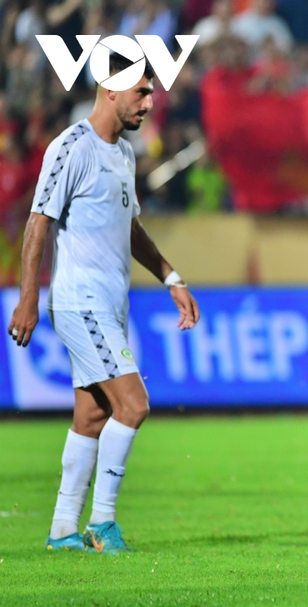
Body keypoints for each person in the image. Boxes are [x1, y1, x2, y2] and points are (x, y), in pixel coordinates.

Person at [7, 53, 200, 554]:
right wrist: (29, 297)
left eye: (151, 91)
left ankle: (62, 529)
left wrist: (170, 276)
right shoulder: (71, 147)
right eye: (141, 91)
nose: (150, 102)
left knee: (92, 417)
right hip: (79, 301)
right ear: (109, 88)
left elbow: (129, 226)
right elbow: (38, 222)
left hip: (111, 304)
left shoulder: (124, 153)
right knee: (134, 405)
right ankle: (103, 523)